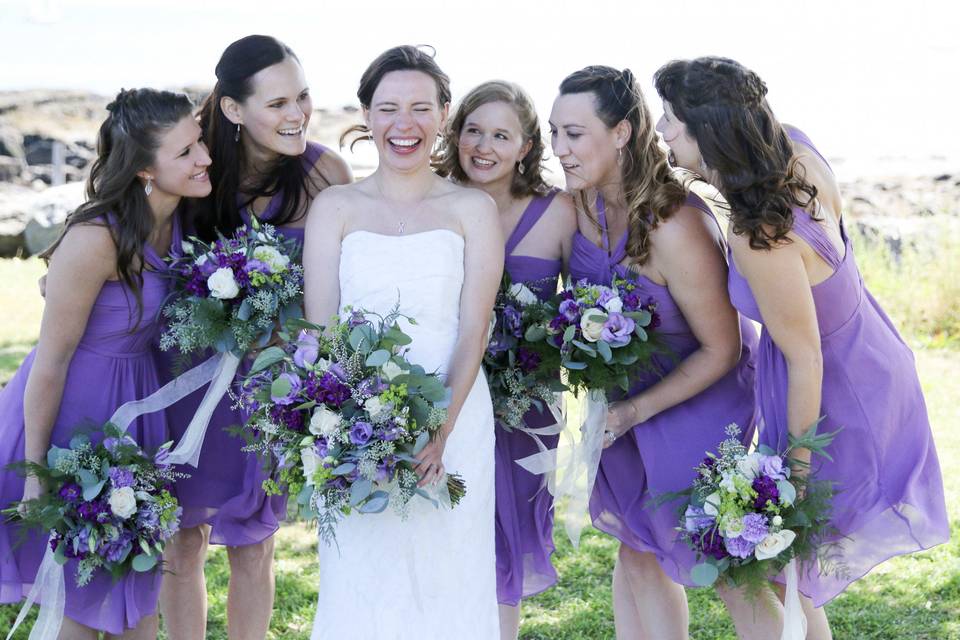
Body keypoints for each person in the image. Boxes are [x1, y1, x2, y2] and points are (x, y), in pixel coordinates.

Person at [653, 55, 949, 639]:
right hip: (870, 354)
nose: (660, 131)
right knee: (784, 569)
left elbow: (805, 355)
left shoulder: (758, 232)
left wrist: (793, 476)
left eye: (670, 119)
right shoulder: (795, 149)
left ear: (708, 131)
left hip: (836, 389)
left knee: (782, 557)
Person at [303, 45, 503, 639]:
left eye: (421, 107)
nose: (404, 124)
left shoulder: (472, 208)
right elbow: (323, 330)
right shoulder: (334, 207)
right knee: (362, 573)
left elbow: (475, 326)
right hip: (356, 426)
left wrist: (439, 431)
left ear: (444, 114)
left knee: (447, 574)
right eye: (388, 108)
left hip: (457, 416)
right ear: (366, 115)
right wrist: (351, 425)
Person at [552, 65, 757, 640]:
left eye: (574, 133)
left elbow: (724, 348)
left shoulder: (675, 224)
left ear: (620, 133)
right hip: (623, 409)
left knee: (732, 565)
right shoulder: (580, 209)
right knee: (637, 550)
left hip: (697, 408)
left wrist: (634, 412)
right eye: (553, 134)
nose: (559, 149)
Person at [158, 34, 352, 640]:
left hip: (267, 386)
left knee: (253, 542)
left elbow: (352, 279)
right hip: (186, 378)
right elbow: (130, 218)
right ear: (234, 110)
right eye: (277, 104)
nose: (296, 114)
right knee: (179, 539)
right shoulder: (196, 166)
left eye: (302, 97)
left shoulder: (325, 174)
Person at [0, 88, 210, 639]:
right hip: (76, 419)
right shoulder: (96, 237)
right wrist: (36, 475)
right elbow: (50, 361)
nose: (204, 158)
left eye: (201, 142)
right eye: (186, 152)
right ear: (144, 169)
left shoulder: (182, 223)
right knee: (84, 594)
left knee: (137, 591)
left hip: (138, 414)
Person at [435, 79, 576, 640]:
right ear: (456, 134)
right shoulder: (431, 201)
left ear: (525, 146)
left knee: (506, 533)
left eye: (501, 134)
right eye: (473, 130)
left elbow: (594, 293)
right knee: (442, 523)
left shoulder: (558, 212)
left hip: (526, 402)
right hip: (445, 393)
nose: (484, 146)